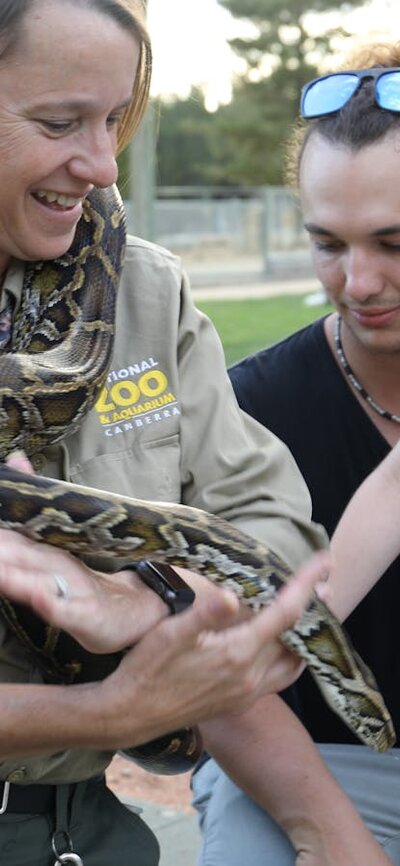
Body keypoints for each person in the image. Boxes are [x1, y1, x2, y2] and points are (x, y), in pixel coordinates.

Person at [0, 1, 349, 864]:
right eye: (59, 122)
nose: (101, 164)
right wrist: (112, 713)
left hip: (85, 828)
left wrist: (151, 597)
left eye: (115, 118)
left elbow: (273, 532)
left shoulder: (144, 291)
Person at [192, 42, 400, 866]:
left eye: (396, 242)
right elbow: (231, 681)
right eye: (328, 243)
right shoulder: (248, 409)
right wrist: (332, 837)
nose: (359, 282)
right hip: (301, 765)